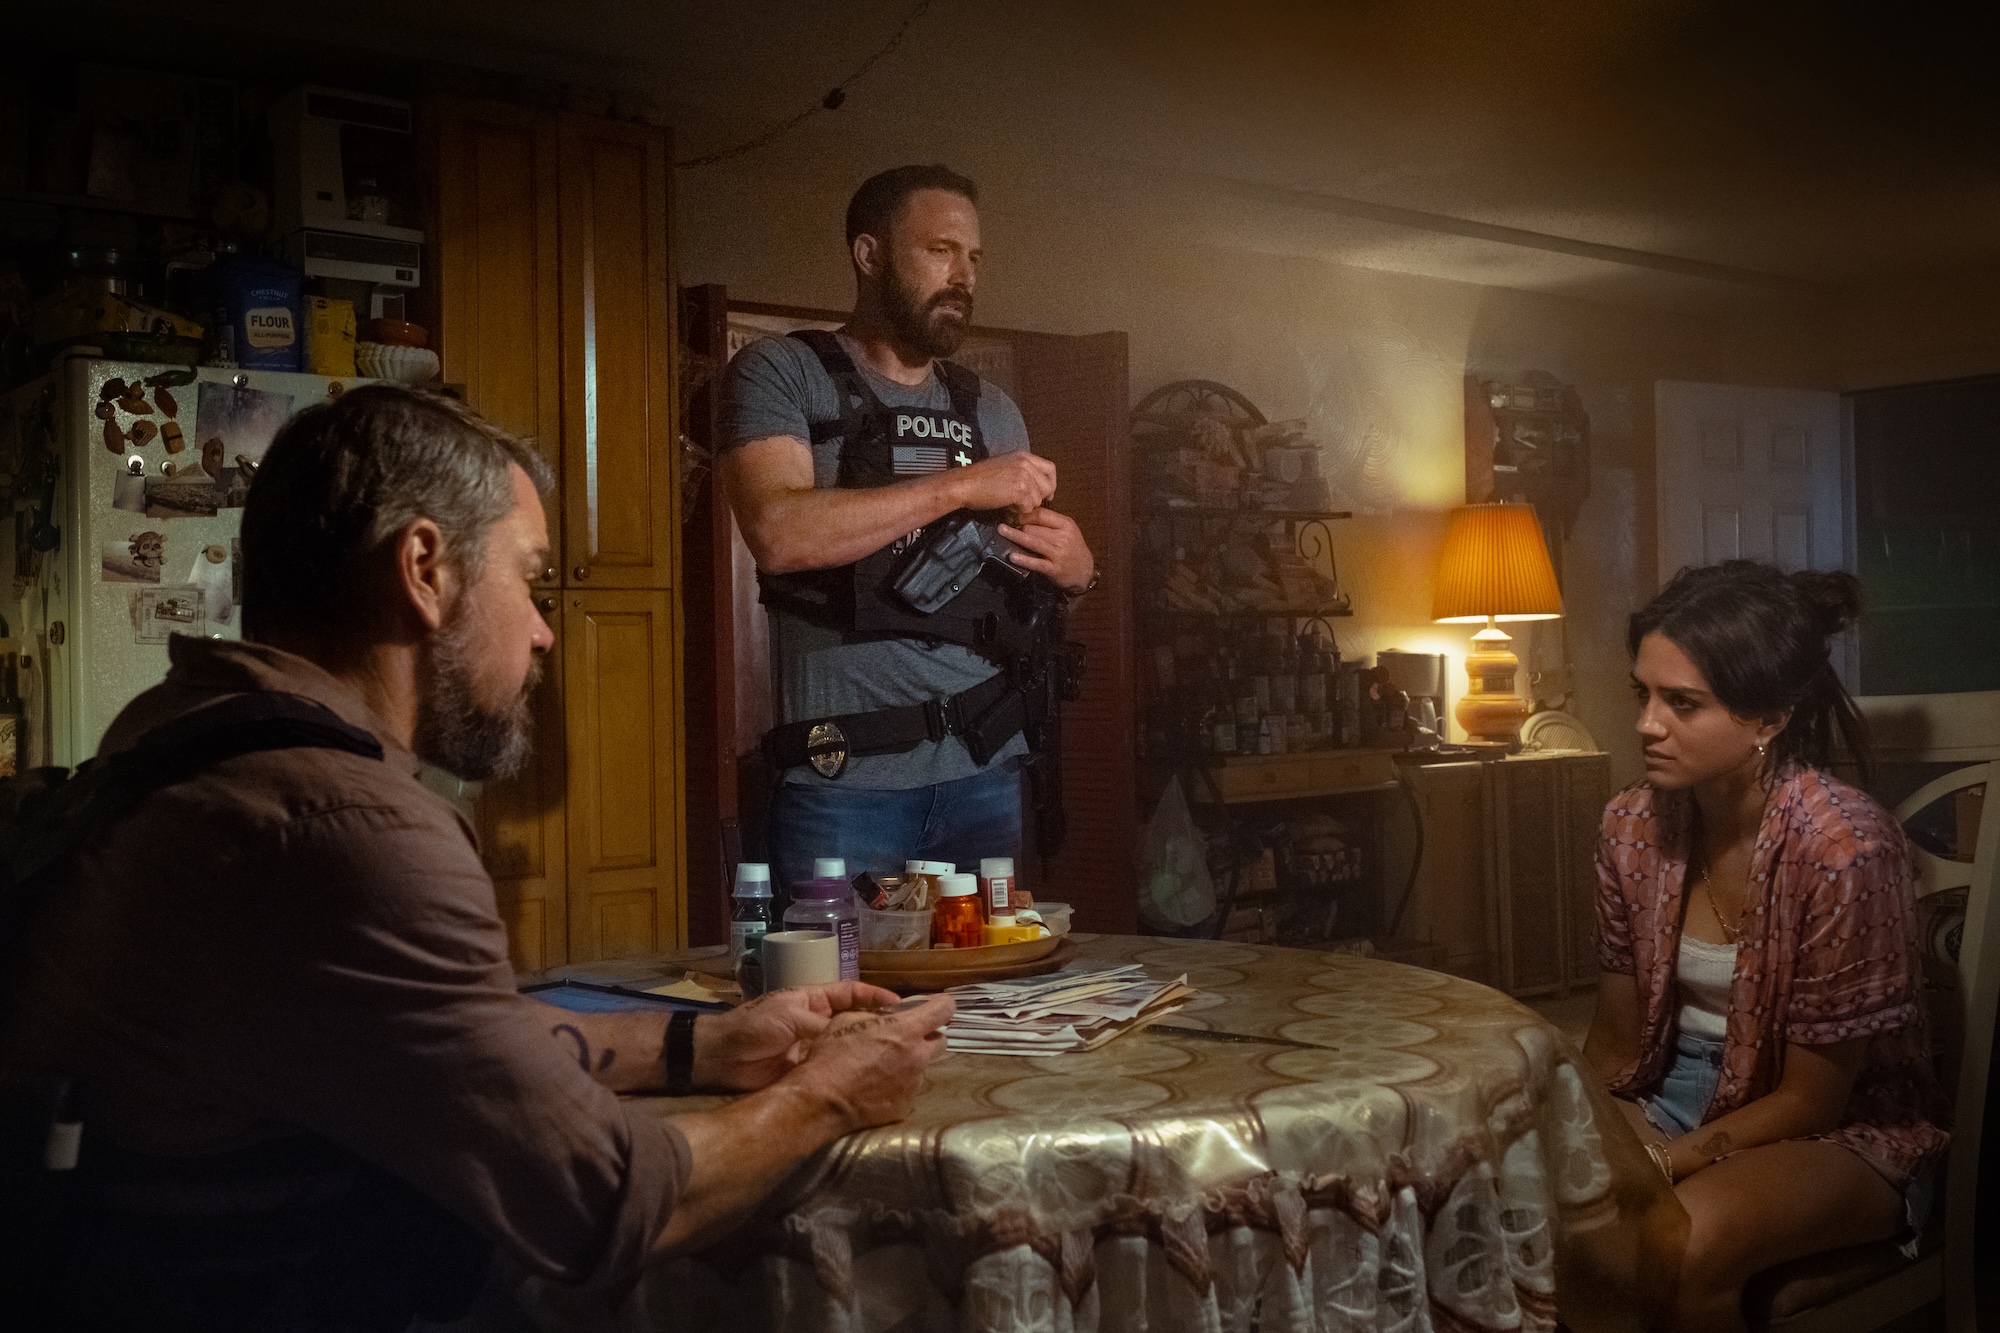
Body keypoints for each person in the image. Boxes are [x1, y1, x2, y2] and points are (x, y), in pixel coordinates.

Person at [0, 385, 953, 1329]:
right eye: (530, 579)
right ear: (426, 568)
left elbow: (445, 1045)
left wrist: (697, 1043)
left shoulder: (175, 734)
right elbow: (610, 1203)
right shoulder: (348, 828)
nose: (543, 629)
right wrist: (830, 1092)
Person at [1584, 560, 1949, 1333]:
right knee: (1525, 1205)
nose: (1648, 723)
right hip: (1669, 1088)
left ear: (1769, 718)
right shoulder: (1631, 826)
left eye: (1682, 703)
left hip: (1835, 1124)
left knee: (1679, 1244)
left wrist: (1666, 1165)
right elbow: (1614, 1049)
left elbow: (1814, 1097)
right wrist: (1578, 1137)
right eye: (1641, 694)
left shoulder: (1844, 849)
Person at [719, 164, 1096, 896]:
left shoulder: (990, 408)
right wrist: (960, 485)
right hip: (844, 786)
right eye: (940, 250)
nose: (964, 276)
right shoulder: (784, 373)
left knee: (983, 1003)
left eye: (975, 258)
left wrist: (1079, 571)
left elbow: (1029, 597)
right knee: (839, 1004)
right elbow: (778, 531)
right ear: (869, 255)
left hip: (985, 777)